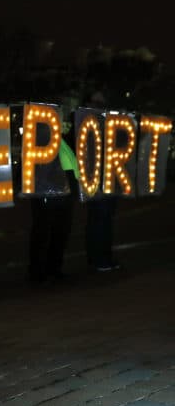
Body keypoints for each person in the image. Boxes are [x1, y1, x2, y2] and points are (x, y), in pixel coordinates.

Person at [28, 101, 78, 284]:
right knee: (44, 232)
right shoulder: (42, 136)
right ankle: (38, 272)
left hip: (63, 191)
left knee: (60, 231)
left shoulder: (59, 139)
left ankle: (53, 268)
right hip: (47, 193)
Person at [84, 90, 121, 272]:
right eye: (95, 102)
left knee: (103, 220)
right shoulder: (87, 125)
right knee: (100, 220)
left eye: (101, 103)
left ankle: (101, 258)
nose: (99, 106)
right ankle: (100, 259)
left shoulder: (104, 124)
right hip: (97, 182)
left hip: (107, 180)